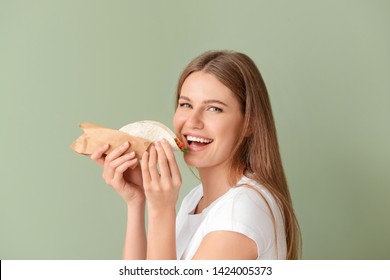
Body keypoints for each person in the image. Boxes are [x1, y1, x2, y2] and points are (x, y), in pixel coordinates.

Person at [91, 50, 301, 260]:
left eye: (214, 109)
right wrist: (136, 201)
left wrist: (162, 212)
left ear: (250, 123)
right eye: (186, 105)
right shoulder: (196, 200)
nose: (192, 122)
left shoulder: (240, 213)